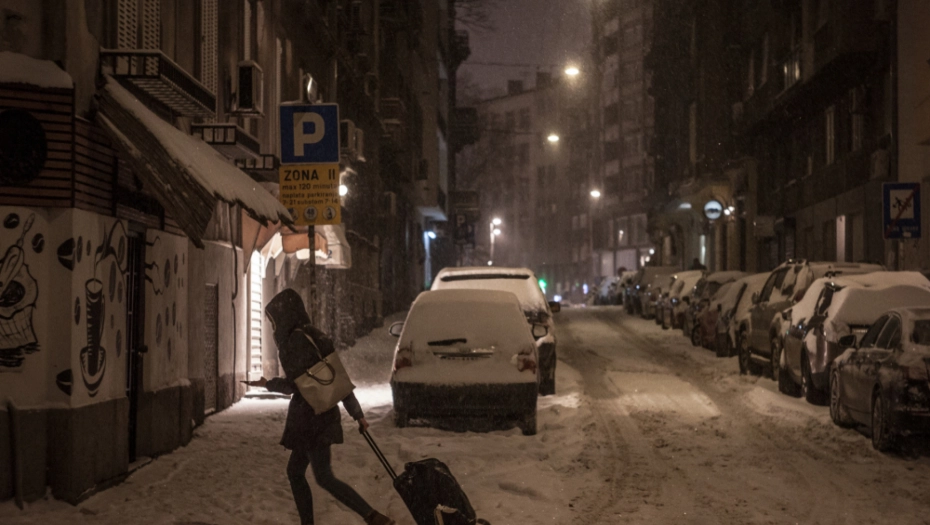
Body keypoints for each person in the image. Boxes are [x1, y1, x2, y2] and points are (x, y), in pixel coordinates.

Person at [249, 289, 395, 525]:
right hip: (321, 415)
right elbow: (335, 376)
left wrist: (268, 384)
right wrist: (357, 413)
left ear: (284, 316)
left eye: (273, 320)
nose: (272, 326)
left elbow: (297, 384)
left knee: (323, 477)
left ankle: (372, 516)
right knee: (296, 472)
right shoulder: (313, 334)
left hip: (310, 420)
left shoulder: (294, 342)